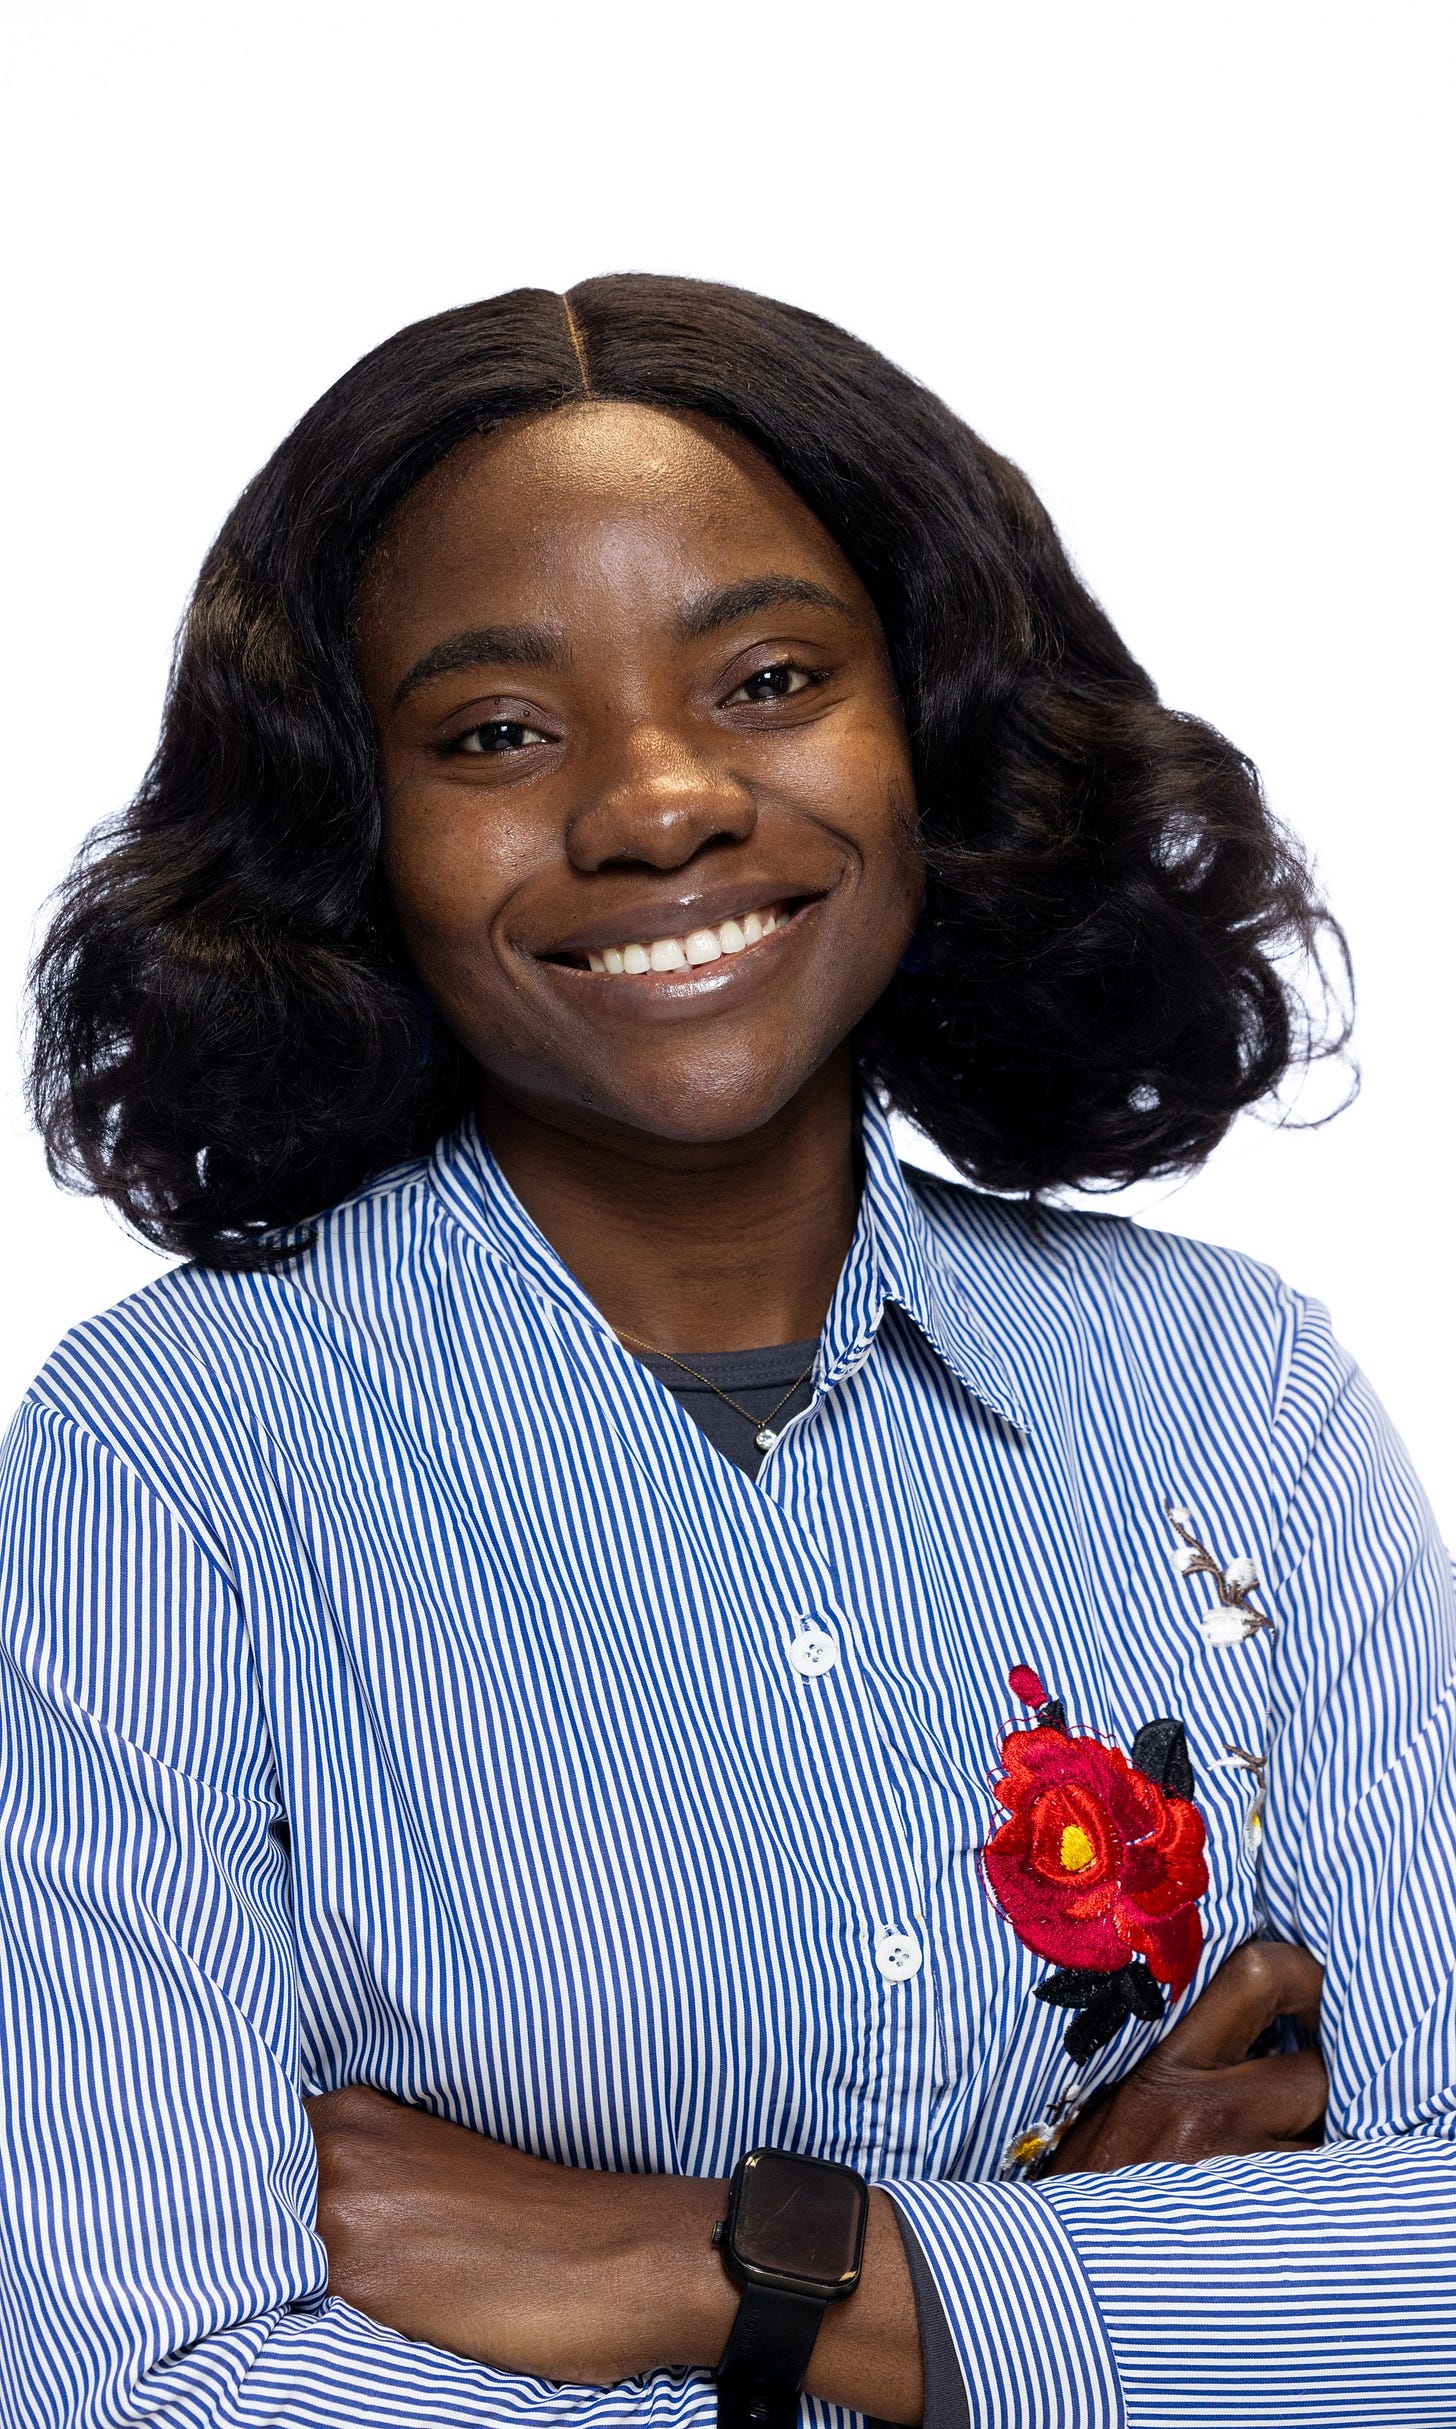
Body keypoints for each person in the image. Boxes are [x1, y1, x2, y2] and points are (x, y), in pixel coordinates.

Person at [2, 274, 1450, 2428]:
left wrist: (721, 2267)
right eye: (494, 732)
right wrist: (1095, 2320)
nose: (658, 803)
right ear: (350, 833)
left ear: (930, 738)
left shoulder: (1229, 1397)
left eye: (767, 678)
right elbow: (160, 2390)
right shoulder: (169, 1470)